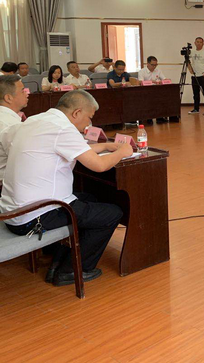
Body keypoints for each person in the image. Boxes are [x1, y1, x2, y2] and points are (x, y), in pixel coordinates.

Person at [0, 90, 133, 286]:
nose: (89, 123)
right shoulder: (63, 128)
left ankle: (58, 258)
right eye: (89, 117)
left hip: (13, 212)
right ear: (77, 113)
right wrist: (122, 151)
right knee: (112, 213)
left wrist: (105, 147)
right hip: (34, 216)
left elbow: (72, 149)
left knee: (90, 198)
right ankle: (71, 270)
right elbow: (99, 165)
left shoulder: (38, 120)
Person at [0, 75, 29, 182]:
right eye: (22, 91)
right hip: (7, 183)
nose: (27, 93)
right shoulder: (10, 125)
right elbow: (24, 159)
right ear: (8, 98)